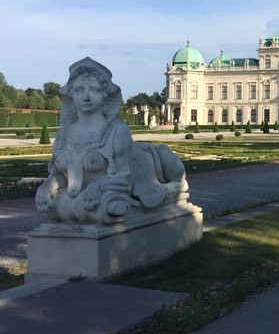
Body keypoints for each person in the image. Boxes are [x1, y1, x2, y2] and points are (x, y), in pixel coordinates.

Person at [36, 57, 187, 224]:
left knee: (164, 155)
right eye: (79, 90)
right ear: (71, 95)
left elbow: (124, 176)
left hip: (144, 168)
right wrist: (48, 185)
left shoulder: (117, 131)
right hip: (85, 198)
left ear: (105, 96)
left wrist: (98, 186)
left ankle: (176, 187)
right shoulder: (63, 134)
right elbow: (64, 174)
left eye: (94, 90)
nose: (86, 97)